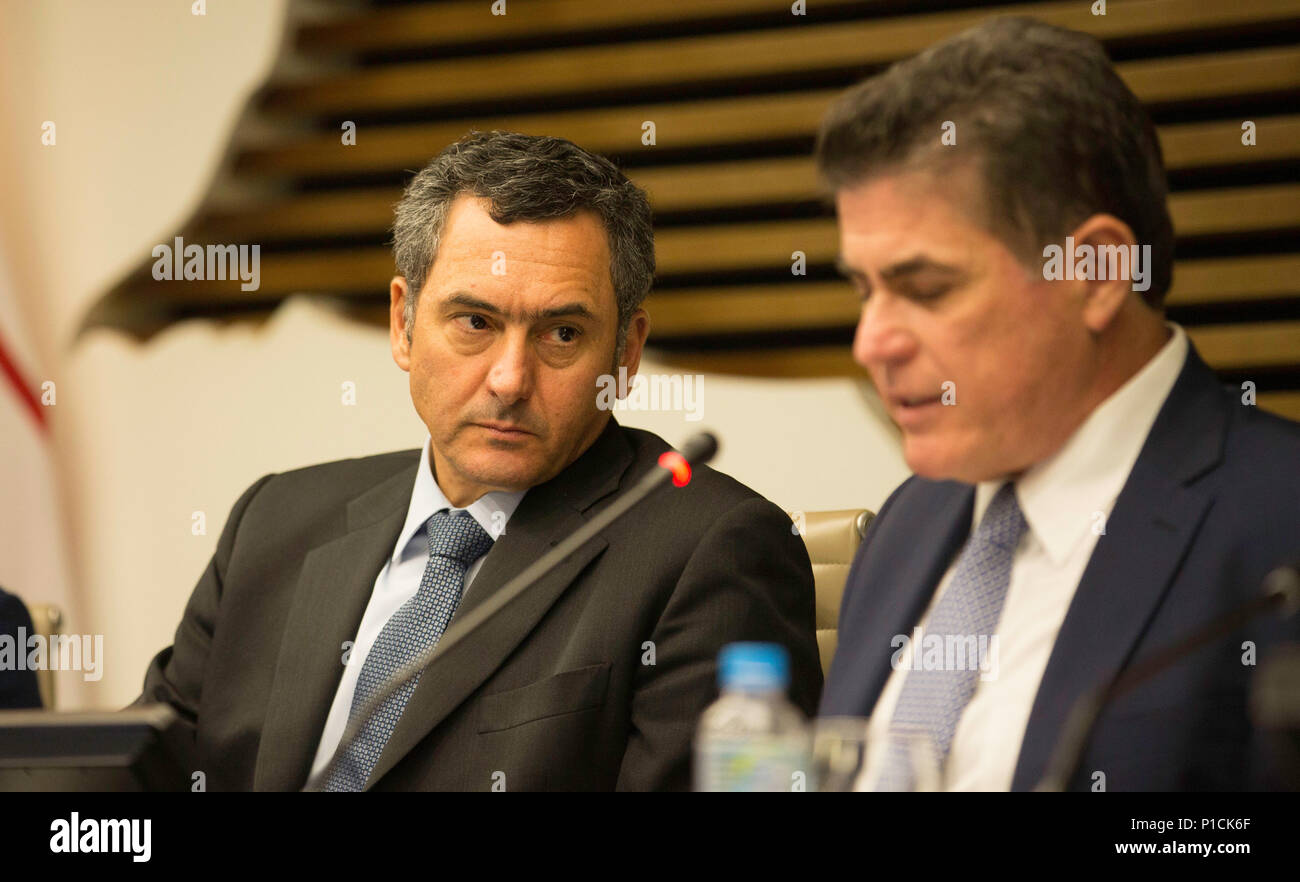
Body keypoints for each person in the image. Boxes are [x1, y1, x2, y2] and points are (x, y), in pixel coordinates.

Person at [136, 131, 822, 791]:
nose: (509, 379)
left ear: (626, 351)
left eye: (561, 333)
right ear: (403, 323)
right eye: (475, 323)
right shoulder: (275, 520)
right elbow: (140, 772)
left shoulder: (710, 549)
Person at [817, 17, 1300, 790]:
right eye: (864, 289)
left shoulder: (1280, 522)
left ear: (1100, 271)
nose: (871, 342)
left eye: (926, 288)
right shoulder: (910, 518)